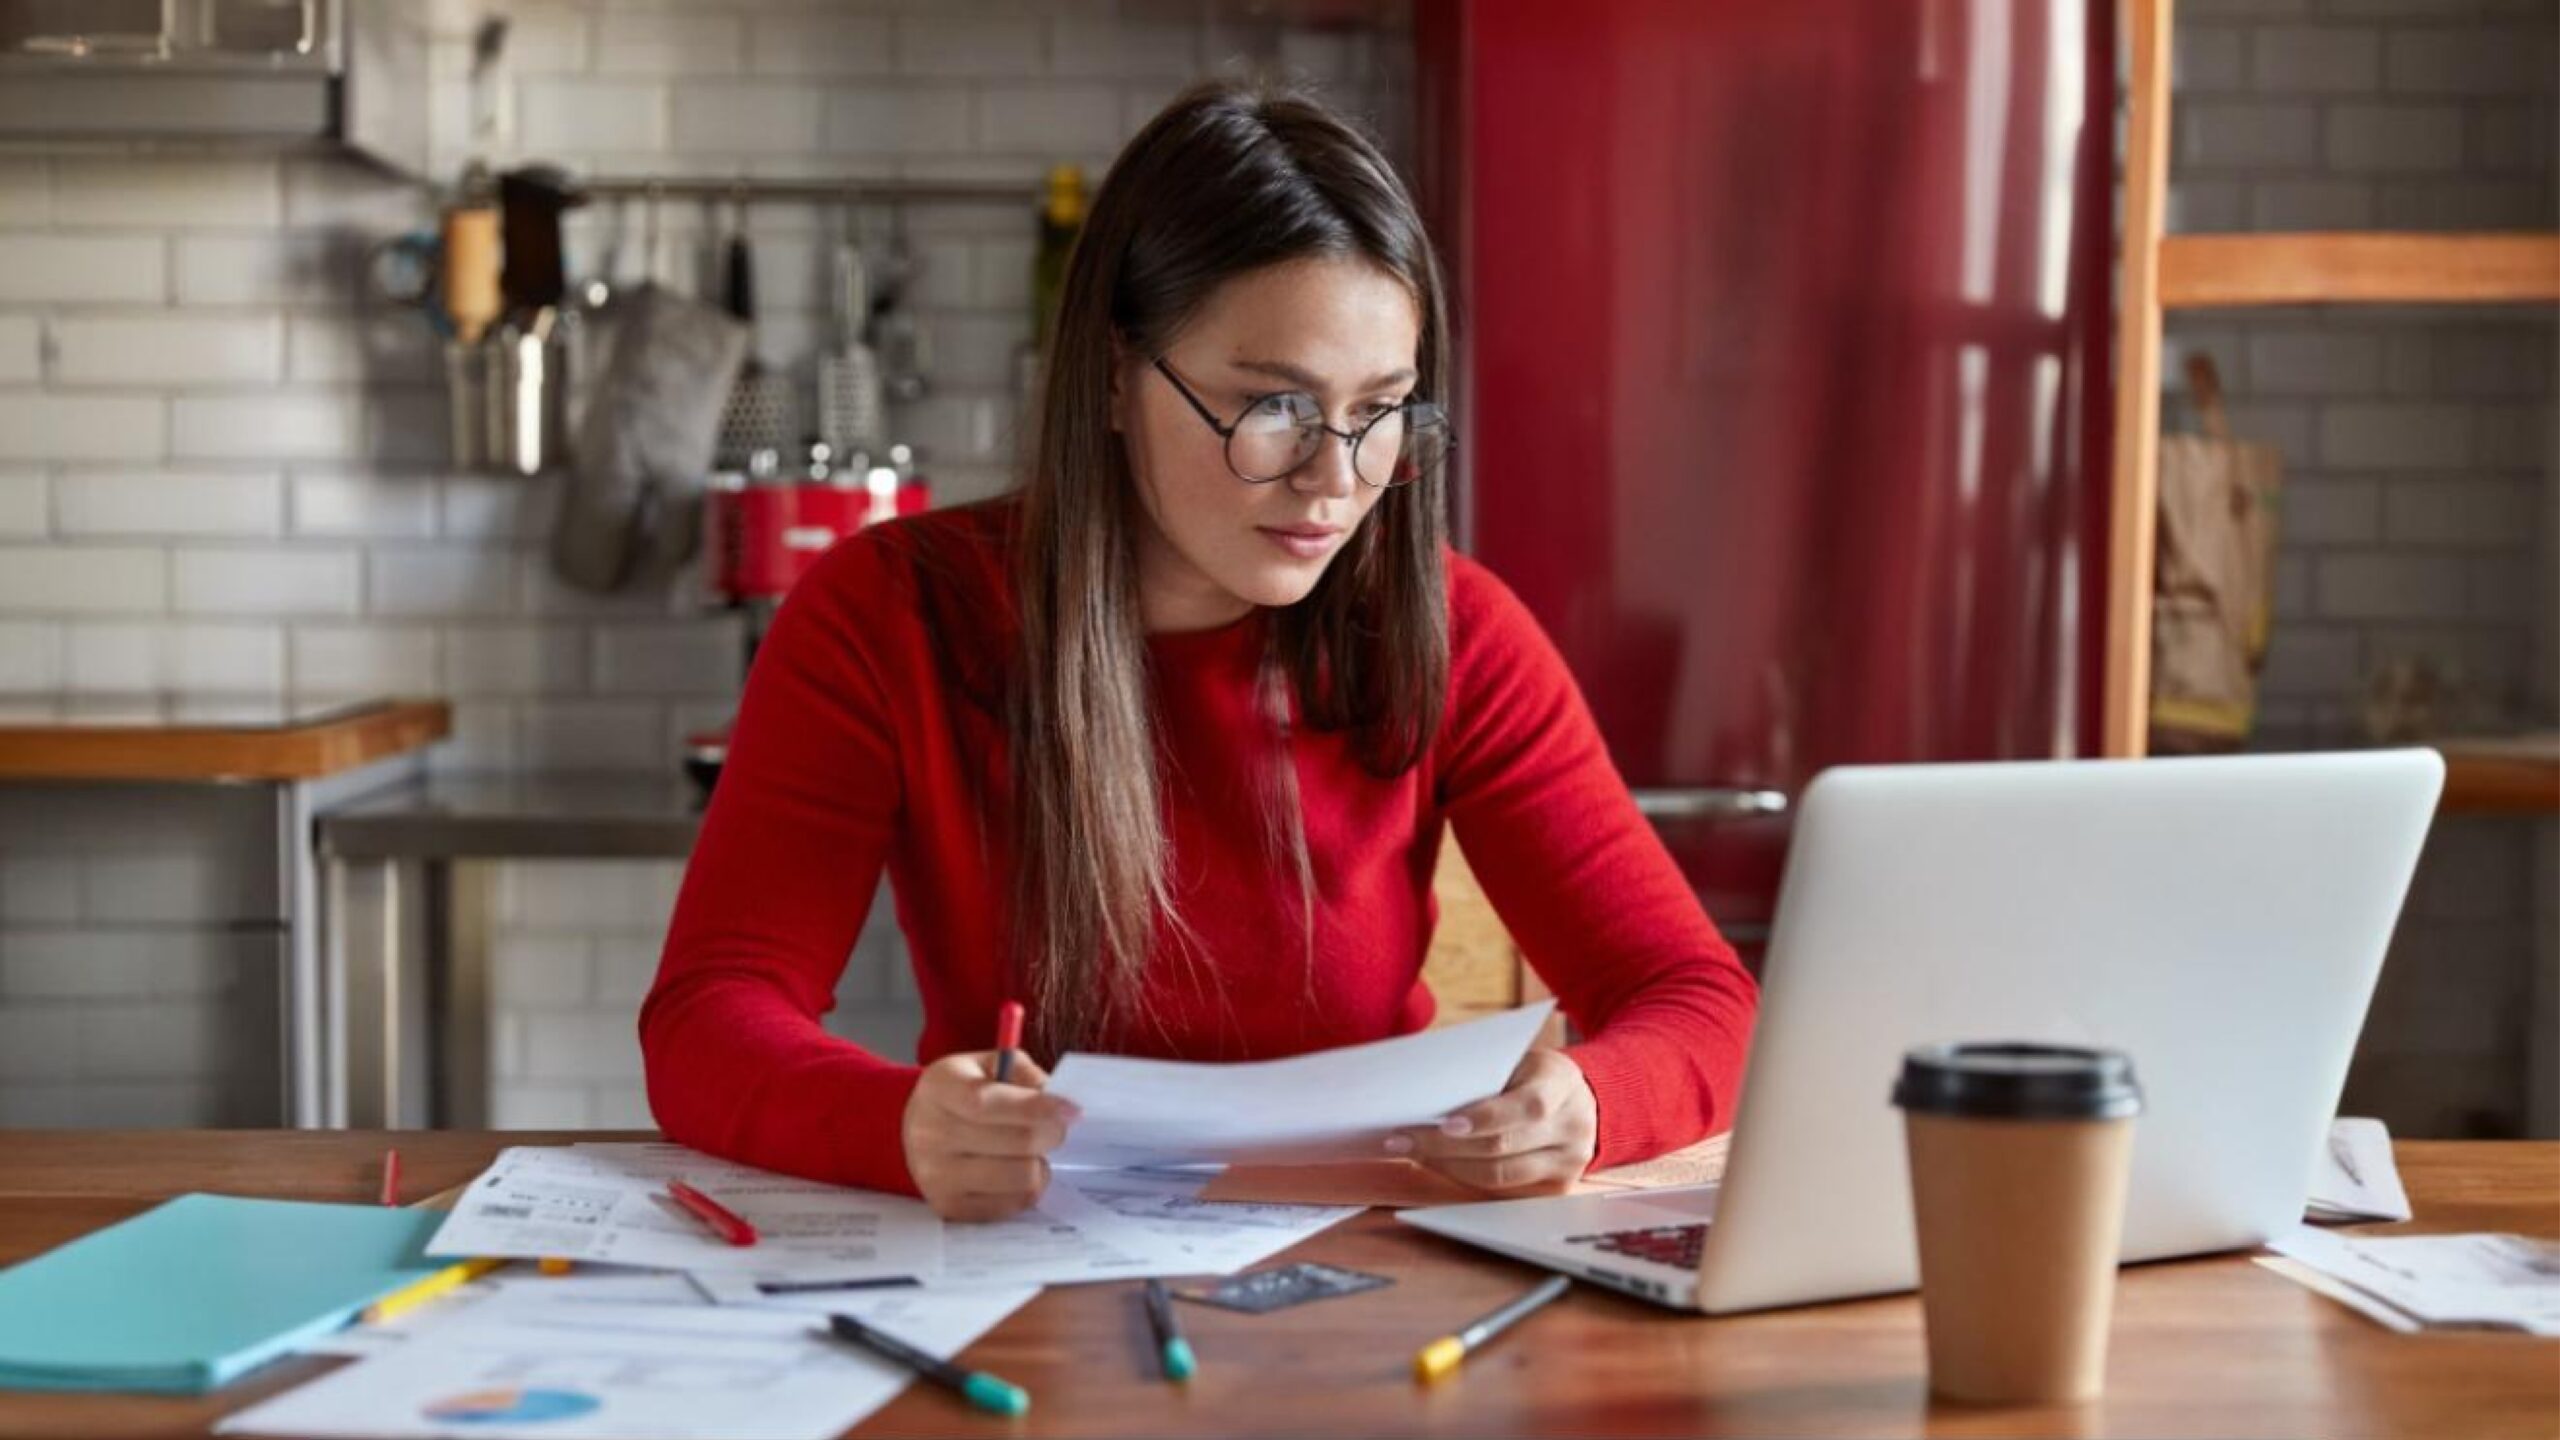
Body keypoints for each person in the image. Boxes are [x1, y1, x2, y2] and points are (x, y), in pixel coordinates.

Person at [641, 78, 1757, 1222]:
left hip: (1366, 1269)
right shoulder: (887, 614)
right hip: (1025, 1274)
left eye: (1380, 411)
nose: (1336, 480)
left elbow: (1699, 997)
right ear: (1118, 376)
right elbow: (709, 1017)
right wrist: (901, 1124)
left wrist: (1591, 1102)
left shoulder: (1458, 630)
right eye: (1273, 407)